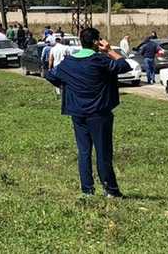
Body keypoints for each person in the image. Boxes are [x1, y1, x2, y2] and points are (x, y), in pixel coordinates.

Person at [45, 28, 131, 197]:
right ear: (96, 42)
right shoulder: (100, 60)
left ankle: (87, 190)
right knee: (103, 152)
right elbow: (124, 65)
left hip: (77, 113)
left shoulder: (68, 63)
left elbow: (51, 75)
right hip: (99, 113)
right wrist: (109, 50)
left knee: (84, 152)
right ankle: (110, 190)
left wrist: (67, 86)